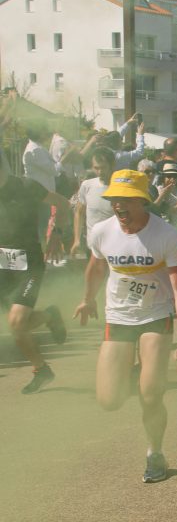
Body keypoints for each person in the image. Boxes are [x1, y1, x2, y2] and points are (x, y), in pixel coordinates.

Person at [73, 169, 177, 483]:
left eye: (125, 200)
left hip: (156, 316)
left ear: (143, 201)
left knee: (151, 396)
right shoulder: (101, 231)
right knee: (109, 400)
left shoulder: (165, 235)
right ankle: (143, 374)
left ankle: (155, 453)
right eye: (113, 200)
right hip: (119, 317)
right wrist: (88, 299)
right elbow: (96, 267)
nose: (118, 206)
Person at [0, 150, 71, 393]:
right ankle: (49, 318)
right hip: (2, 267)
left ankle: (41, 369)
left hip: (28, 265)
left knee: (17, 324)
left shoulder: (27, 186)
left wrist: (56, 236)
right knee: (18, 325)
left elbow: (62, 204)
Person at [71, 147, 115, 256]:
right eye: (96, 168)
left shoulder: (120, 187)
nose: (99, 172)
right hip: (92, 247)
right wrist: (77, 239)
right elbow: (79, 212)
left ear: (112, 165)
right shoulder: (87, 185)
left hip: (115, 246)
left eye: (103, 168)